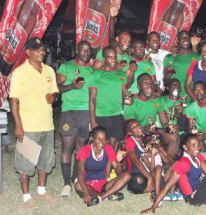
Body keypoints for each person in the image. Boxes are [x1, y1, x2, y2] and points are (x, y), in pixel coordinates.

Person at [10, 37, 59, 210]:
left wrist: (54, 97)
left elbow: (56, 93)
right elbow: (14, 101)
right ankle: (26, 196)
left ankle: (41, 190)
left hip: (48, 125)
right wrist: (18, 125)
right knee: (26, 163)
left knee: (46, 161)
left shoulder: (49, 71)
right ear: (28, 52)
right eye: (37, 50)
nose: (42, 52)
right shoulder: (20, 73)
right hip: (29, 126)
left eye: (43, 49)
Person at [57, 41, 93, 197]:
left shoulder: (92, 70)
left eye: (88, 50)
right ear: (77, 50)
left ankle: (75, 177)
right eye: (83, 49)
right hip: (69, 112)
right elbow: (56, 88)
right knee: (67, 147)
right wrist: (72, 86)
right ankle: (66, 184)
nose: (85, 52)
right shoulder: (66, 67)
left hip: (86, 113)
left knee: (80, 147)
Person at [123, 73, 179, 159]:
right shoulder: (132, 102)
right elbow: (131, 128)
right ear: (139, 87)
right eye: (145, 82)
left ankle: (166, 167)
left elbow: (165, 123)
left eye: (150, 82)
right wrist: (144, 129)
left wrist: (170, 128)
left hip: (152, 131)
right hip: (137, 134)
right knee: (153, 141)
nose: (149, 85)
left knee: (174, 137)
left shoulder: (156, 100)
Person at [74, 126, 131, 206]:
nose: (102, 141)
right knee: (78, 186)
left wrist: (118, 162)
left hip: (103, 183)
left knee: (127, 175)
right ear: (92, 138)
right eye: (98, 138)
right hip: (88, 183)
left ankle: (100, 197)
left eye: (104, 139)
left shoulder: (108, 149)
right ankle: (108, 195)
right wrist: (86, 192)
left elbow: (119, 173)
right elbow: (80, 172)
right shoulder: (85, 150)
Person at [89, 46, 127, 150]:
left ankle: (111, 166)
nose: (113, 60)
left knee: (114, 144)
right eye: (109, 57)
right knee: (102, 144)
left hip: (117, 114)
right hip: (101, 114)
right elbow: (92, 99)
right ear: (104, 59)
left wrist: (126, 102)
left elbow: (124, 95)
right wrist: (92, 120)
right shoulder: (96, 74)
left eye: (114, 57)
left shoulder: (121, 74)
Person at [183, 81, 206, 153]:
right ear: (193, 92)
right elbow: (191, 128)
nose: (198, 92)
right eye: (196, 90)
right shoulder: (191, 107)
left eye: (201, 89)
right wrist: (197, 135)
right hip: (199, 134)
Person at [163, 30, 200, 97]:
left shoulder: (197, 57)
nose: (185, 39)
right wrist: (168, 76)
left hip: (192, 95)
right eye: (182, 37)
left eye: (187, 37)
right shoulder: (169, 57)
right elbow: (165, 80)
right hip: (176, 95)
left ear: (190, 39)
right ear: (178, 41)